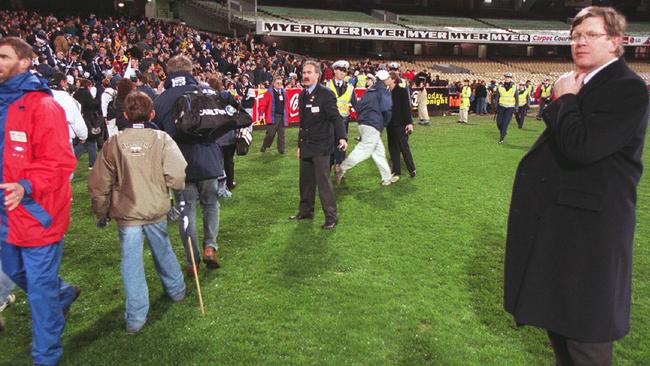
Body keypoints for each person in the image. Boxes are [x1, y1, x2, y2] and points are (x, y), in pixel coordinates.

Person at [504, 7, 649, 366]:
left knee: (585, 339)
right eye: (575, 35)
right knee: (562, 330)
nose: (580, 42)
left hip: (591, 236)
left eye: (591, 35)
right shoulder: (586, 81)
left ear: (615, 42)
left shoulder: (627, 88)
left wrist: (565, 98)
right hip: (566, 227)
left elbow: (583, 147)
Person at [0, 36, 80, 366]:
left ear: (25, 62)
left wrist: (26, 185)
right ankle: (62, 293)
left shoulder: (42, 106)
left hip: (36, 212)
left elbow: (62, 162)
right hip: (5, 213)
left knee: (40, 290)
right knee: (15, 271)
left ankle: (45, 356)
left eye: (3, 56)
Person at [88, 91, 187, 334]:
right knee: (162, 250)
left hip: (128, 213)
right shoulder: (162, 138)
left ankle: (136, 318)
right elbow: (178, 176)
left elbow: (99, 185)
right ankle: (176, 291)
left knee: (131, 264)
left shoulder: (113, 143)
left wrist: (101, 213)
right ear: (152, 113)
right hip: (154, 208)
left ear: (124, 115)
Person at [154, 55, 223, 274]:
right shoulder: (206, 92)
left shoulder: (162, 99)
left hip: (179, 163)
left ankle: (192, 260)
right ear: (190, 70)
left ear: (169, 73)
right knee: (211, 204)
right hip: (209, 158)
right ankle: (210, 247)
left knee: (187, 210)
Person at [290, 60, 347, 230]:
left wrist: (342, 137)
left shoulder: (326, 94)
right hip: (307, 145)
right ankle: (305, 211)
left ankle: (331, 216)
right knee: (305, 182)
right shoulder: (302, 95)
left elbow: (336, 118)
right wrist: (300, 146)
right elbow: (303, 123)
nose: (305, 75)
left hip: (322, 146)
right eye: (304, 72)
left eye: (309, 72)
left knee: (323, 183)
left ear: (317, 75)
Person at [336, 70, 398, 186]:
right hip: (373, 124)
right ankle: (342, 167)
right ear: (385, 80)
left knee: (379, 152)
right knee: (364, 150)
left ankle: (387, 178)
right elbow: (387, 110)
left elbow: (358, 107)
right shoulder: (384, 91)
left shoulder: (369, 90)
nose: (390, 79)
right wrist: (383, 124)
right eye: (389, 78)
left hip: (363, 123)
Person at [326, 60, 356, 169]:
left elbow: (356, 104)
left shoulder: (350, 87)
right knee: (329, 144)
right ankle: (328, 166)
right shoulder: (327, 85)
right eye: (341, 70)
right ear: (335, 71)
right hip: (329, 122)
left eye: (345, 71)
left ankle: (340, 167)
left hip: (343, 122)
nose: (343, 73)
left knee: (342, 144)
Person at [386, 72, 416, 178]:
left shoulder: (402, 91)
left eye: (388, 78)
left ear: (393, 79)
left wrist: (409, 123)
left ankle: (412, 169)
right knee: (392, 148)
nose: (385, 79)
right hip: (390, 125)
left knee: (404, 147)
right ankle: (396, 170)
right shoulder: (386, 92)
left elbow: (406, 108)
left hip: (400, 124)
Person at [260, 76, 287, 154]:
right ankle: (265, 145)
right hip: (273, 116)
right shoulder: (269, 92)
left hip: (282, 116)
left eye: (280, 83)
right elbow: (263, 103)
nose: (279, 84)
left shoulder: (284, 92)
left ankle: (281, 150)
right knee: (270, 134)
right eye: (277, 83)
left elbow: (287, 105)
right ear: (273, 83)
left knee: (281, 134)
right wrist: (261, 113)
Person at [495, 72, 518, 144]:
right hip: (501, 106)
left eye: (509, 77)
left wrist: (516, 107)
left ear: (511, 78)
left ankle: (501, 138)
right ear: (504, 77)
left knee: (505, 123)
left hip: (510, 108)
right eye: (506, 77)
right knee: (498, 123)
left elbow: (516, 98)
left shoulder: (514, 87)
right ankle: (503, 131)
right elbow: (497, 97)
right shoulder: (500, 86)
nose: (507, 78)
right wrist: (496, 107)